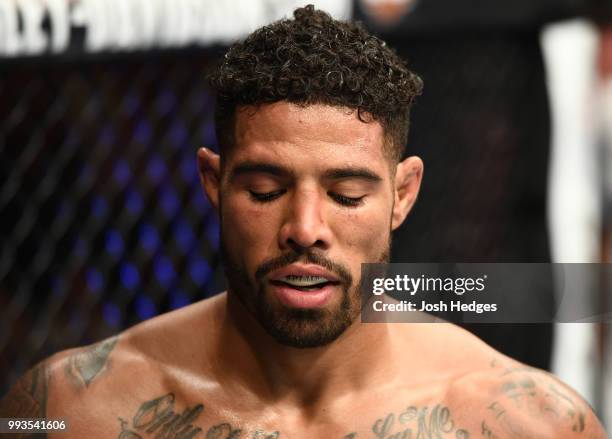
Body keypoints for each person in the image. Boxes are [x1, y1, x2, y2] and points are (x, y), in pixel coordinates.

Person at [0, 5, 606, 438]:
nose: (305, 227)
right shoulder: (66, 410)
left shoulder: (531, 421)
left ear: (403, 194)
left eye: (346, 195)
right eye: (266, 190)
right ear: (214, 183)